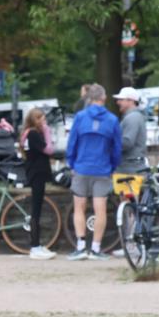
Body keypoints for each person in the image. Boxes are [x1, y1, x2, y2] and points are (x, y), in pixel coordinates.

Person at [65, 83, 121, 261]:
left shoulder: (80, 117)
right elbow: (117, 149)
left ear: (89, 99)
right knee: (100, 209)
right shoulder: (112, 120)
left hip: (82, 167)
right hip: (102, 168)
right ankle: (96, 247)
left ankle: (81, 246)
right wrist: (112, 166)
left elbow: (72, 143)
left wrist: (72, 163)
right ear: (104, 99)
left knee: (79, 207)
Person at [20, 108, 56, 260]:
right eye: (40, 118)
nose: (44, 121)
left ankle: (37, 245)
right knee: (36, 211)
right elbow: (48, 150)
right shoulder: (34, 134)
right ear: (34, 120)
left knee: (37, 209)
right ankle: (34, 246)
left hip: (35, 173)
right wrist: (47, 132)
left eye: (44, 118)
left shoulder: (28, 133)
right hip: (37, 174)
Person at [113, 87, 147, 174]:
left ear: (131, 101)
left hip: (130, 168)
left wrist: (109, 142)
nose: (118, 102)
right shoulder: (133, 116)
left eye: (121, 99)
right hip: (131, 166)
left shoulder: (132, 117)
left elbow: (127, 142)